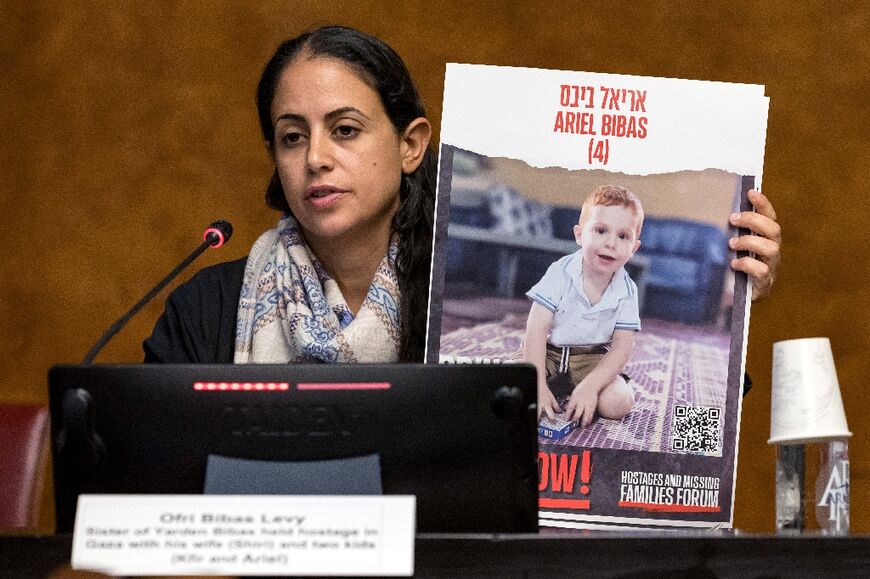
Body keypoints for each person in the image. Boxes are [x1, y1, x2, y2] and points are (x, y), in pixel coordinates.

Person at [143, 25, 435, 364]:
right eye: (293, 137)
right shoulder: (203, 308)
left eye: (345, 130)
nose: (315, 159)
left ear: (410, 146)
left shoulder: (467, 298)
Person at [523, 185, 644, 425]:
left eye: (623, 236)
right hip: (548, 354)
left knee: (617, 403)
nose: (611, 243)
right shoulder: (559, 272)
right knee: (507, 387)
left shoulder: (627, 290)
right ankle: (547, 387)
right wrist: (536, 382)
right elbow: (535, 329)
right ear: (579, 235)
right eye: (600, 230)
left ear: (634, 248)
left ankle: (578, 392)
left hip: (592, 359)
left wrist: (590, 387)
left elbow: (622, 347)